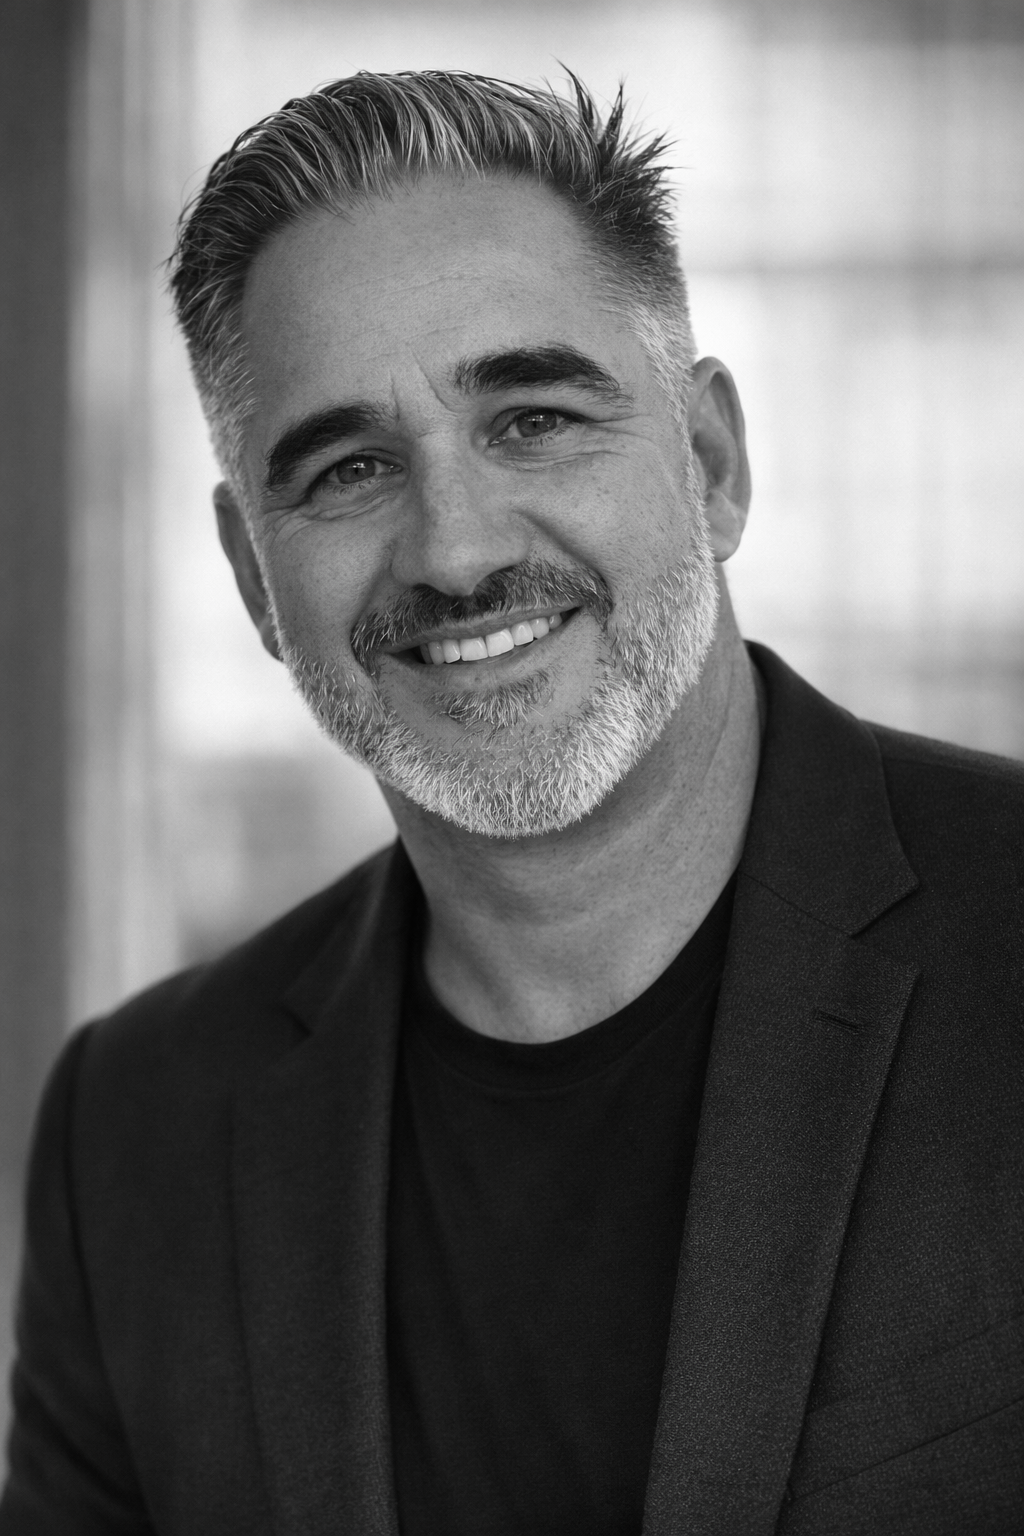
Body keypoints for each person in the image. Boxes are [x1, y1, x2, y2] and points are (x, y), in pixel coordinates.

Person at [1, 70, 1021, 1536]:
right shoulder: (139, 1134)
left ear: (712, 464)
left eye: (534, 417)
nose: (457, 551)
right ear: (250, 579)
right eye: (349, 468)